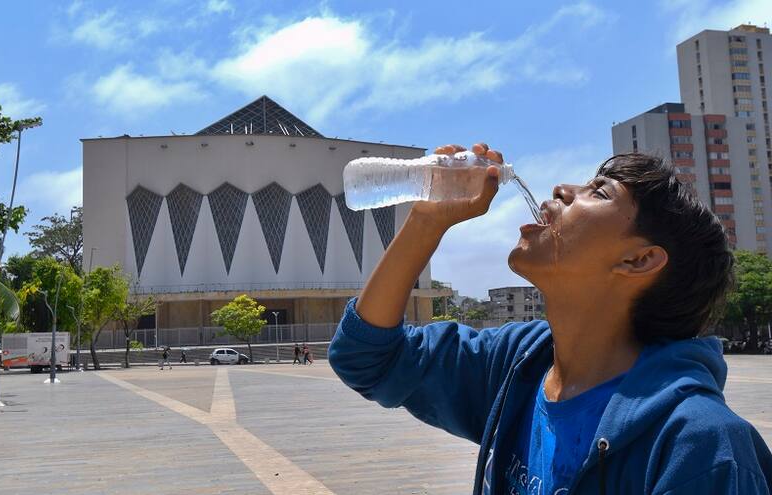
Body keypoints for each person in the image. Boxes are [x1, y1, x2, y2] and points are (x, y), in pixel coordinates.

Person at [329, 144, 772, 494]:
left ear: (638, 260)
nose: (562, 189)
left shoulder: (699, 446)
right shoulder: (517, 366)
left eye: (599, 192)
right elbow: (366, 356)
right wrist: (426, 223)